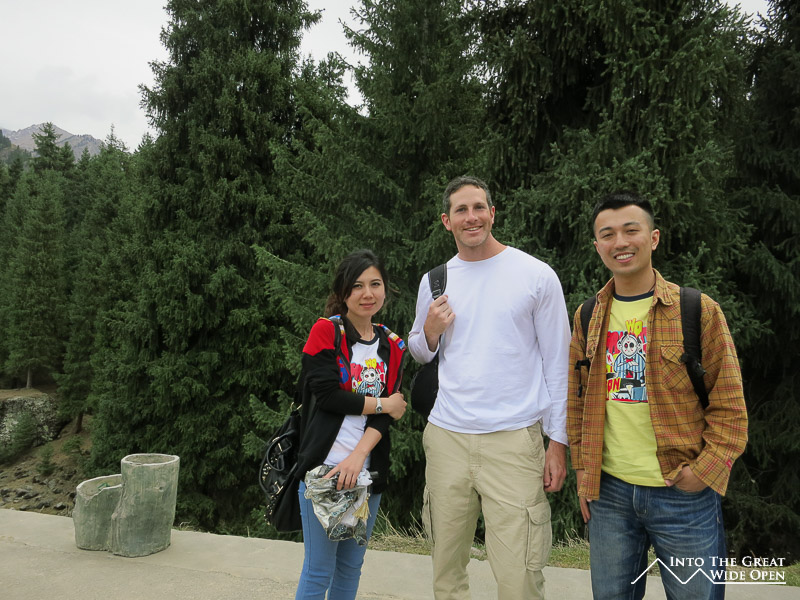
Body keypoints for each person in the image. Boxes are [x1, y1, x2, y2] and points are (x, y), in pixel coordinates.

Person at [568, 191, 748, 599]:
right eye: (607, 234)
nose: (620, 242)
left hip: (683, 496)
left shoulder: (697, 310)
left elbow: (731, 408)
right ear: (597, 246)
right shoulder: (587, 315)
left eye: (631, 230)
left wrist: (703, 472)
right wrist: (583, 471)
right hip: (610, 494)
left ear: (653, 238)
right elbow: (577, 402)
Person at [408, 176, 571, 599]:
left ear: (493, 213)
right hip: (446, 438)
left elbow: (559, 364)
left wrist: (558, 443)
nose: (471, 217)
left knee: (520, 578)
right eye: (461, 210)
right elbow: (420, 351)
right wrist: (430, 331)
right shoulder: (436, 280)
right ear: (446, 221)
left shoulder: (535, 275)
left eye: (479, 207)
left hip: (515, 441)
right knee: (446, 573)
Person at [294, 249, 407, 600]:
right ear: (343, 292)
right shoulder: (326, 332)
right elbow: (328, 395)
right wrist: (383, 403)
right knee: (318, 570)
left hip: (366, 474)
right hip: (323, 472)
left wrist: (359, 456)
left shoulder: (392, 346)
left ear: (385, 289)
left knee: (350, 567)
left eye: (375, 284)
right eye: (357, 286)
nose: (367, 293)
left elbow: (386, 417)